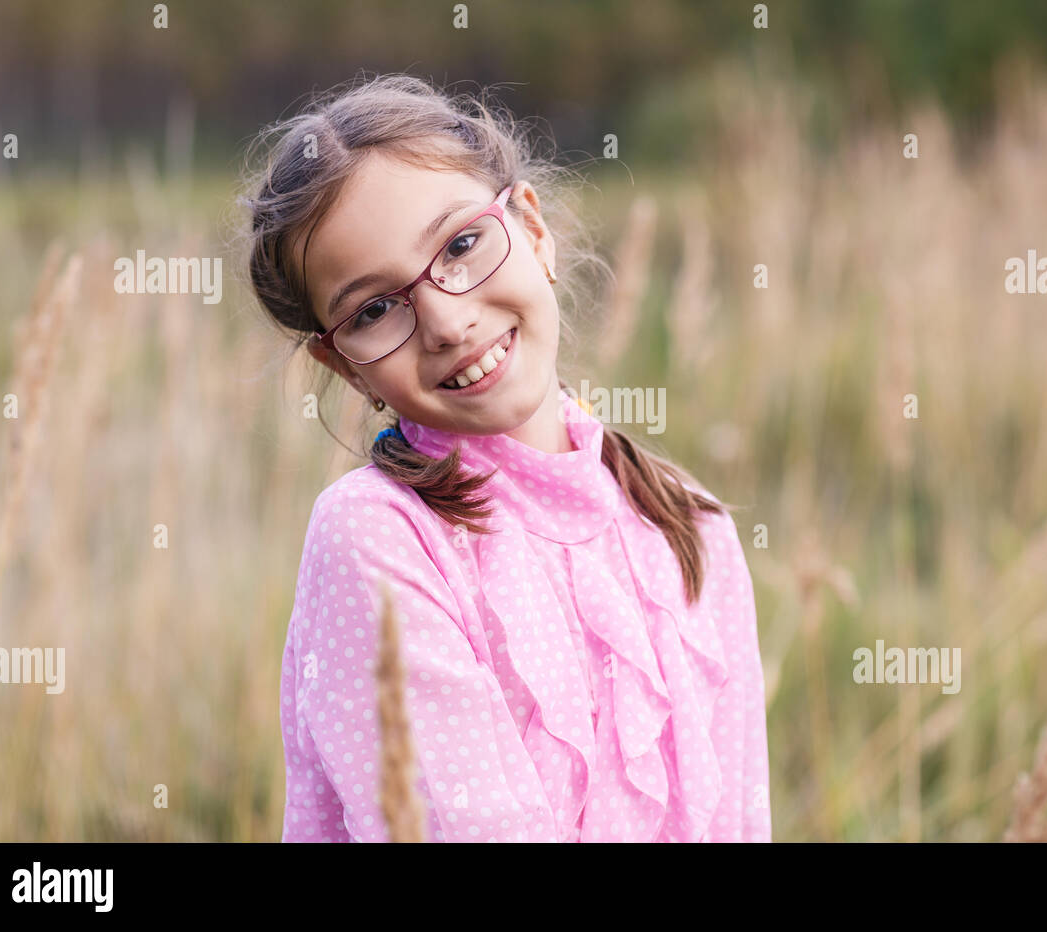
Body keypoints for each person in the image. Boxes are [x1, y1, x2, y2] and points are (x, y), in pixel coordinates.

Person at [240, 73, 771, 841]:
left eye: (461, 244)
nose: (448, 322)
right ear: (344, 366)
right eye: (376, 309)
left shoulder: (694, 529)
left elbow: (742, 820)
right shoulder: (378, 539)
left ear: (533, 227)